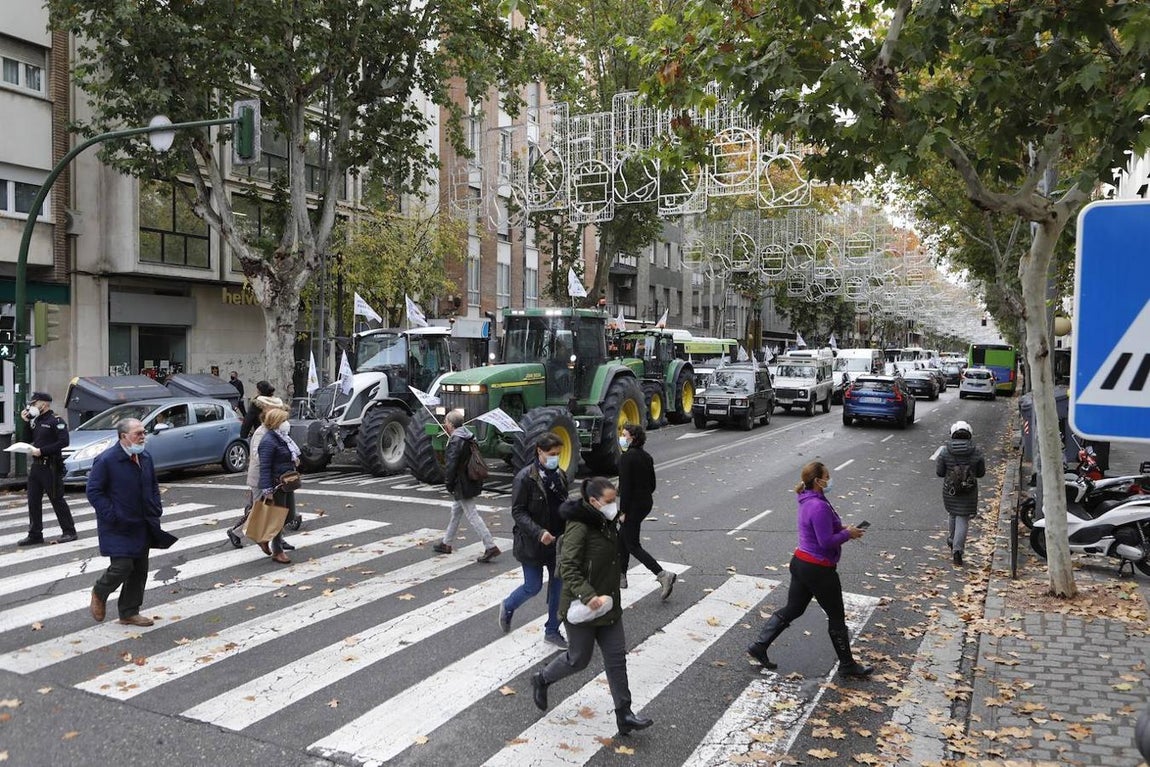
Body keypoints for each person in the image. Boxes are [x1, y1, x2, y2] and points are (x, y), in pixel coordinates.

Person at [530, 477, 654, 736]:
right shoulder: (579, 527)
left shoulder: (607, 522)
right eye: (609, 501)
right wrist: (588, 596)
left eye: (614, 499)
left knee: (616, 659)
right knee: (578, 660)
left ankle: (625, 715)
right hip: (581, 607)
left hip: (607, 606)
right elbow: (568, 567)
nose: (613, 505)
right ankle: (542, 679)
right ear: (594, 502)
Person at [746, 461, 873, 678]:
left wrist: (842, 528)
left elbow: (818, 529)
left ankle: (760, 645)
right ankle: (847, 665)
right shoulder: (819, 505)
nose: (830, 479)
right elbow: (825, 542)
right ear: (818, 480)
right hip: (818, 569)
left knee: (793, 609)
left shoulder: (808, 499)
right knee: (836, 616)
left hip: (801, 563)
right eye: (827, 476)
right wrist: (847, 534)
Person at [87, 418, 177, 626]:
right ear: (123, 437)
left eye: (143, 432)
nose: (143, 436)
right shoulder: (106, 460)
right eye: (138, 433)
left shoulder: (145, 457)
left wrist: (156, 507)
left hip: (142, 522)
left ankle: (129, 612)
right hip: (117, 525)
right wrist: (112, 515)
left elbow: (153, 485)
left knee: (139, 570)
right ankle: (100, 592)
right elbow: (94, 491)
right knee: (122, 566)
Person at [499, 433, 569, 648]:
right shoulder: (524, 478)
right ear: (539, 451)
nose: (555, 458)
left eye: (558, 454)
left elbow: (563, 505)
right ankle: (508, 605)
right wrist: (539, 533)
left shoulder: (561, 475)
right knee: (533, 586)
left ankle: (552, 630)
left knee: (559, 586)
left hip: (557, 543)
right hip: (532, 543)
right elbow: (518, 512)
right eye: (551, 454)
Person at [226, 397, 293, 551]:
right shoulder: (261, 432)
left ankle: (278, 539)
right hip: (260, 479)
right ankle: (236, 532)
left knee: (276, 510)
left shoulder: (277, 431)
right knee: (259, 511)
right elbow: (258, 456)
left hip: (274, 477)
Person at [616, 423, 675, 599]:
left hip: (632, 506)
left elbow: (625, 488)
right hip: (645, 503)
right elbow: (652, 485)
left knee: (632, 544)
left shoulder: (626, 458)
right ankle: (621, 576)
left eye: (624, 434)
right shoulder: (646, 456)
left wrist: (623, 511)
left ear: (632, 438)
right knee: (622, 537)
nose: (622, 437)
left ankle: (663, 575)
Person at [434, 409, 500, 563]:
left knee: (472, 514)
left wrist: (448, 484)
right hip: (470, 479)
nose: (445, 424)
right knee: (456, 511)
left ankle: (490, 546)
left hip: (461, 483)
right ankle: (446, 543)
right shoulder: (469, 436)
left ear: (450, 424)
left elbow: (451, 466)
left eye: (446, 422)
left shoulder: (456, 440)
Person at [17, 392, 77, 546]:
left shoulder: (56, 420)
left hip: (51, 465)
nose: (32, 406)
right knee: (33, 501)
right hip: (36, 466)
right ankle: (35, 534)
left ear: (43, 404)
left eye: (34, 403)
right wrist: (24, 422)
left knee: (57, 499)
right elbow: (25, 440)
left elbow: (64, 442)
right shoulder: (35, 421)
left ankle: (69, 531)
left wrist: (42, 451)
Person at [935, 420, 986, 566]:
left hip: (950, 489)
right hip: (969, 490)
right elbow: (981, 473)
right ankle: (958, 551)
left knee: (952, 513)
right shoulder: (976, 451)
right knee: (963, 517)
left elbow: (940, 472)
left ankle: (952, 540)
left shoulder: (945, 451)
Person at [257, 408, 300, 564]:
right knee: (278, 517)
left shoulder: (284, 438)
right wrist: (267, 489)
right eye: (283, 420)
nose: (286, 423)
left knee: (289, 515)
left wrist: (293, 461)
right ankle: (277, 551)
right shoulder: (268, 441)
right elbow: (265, 467)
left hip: (287, 482)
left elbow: (287, 455)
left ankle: (265, 537)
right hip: (276, 484)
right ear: (275, 422)